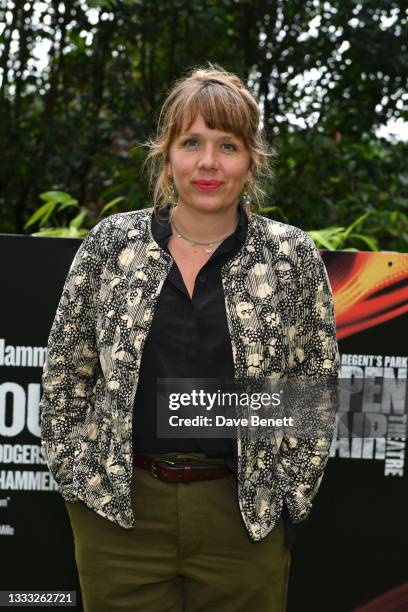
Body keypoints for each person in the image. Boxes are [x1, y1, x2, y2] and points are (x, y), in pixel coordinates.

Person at [39, 64, 339, 612]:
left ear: (251, 161)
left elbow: (312, 392)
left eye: (228, 145)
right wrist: (82, 485)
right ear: (167, 154)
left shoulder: (291, 257)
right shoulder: (112, 244)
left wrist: (284, 497)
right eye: (191, 142)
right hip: (119, 519)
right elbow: (67, 374)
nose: (208, 162)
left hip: (242, 521)